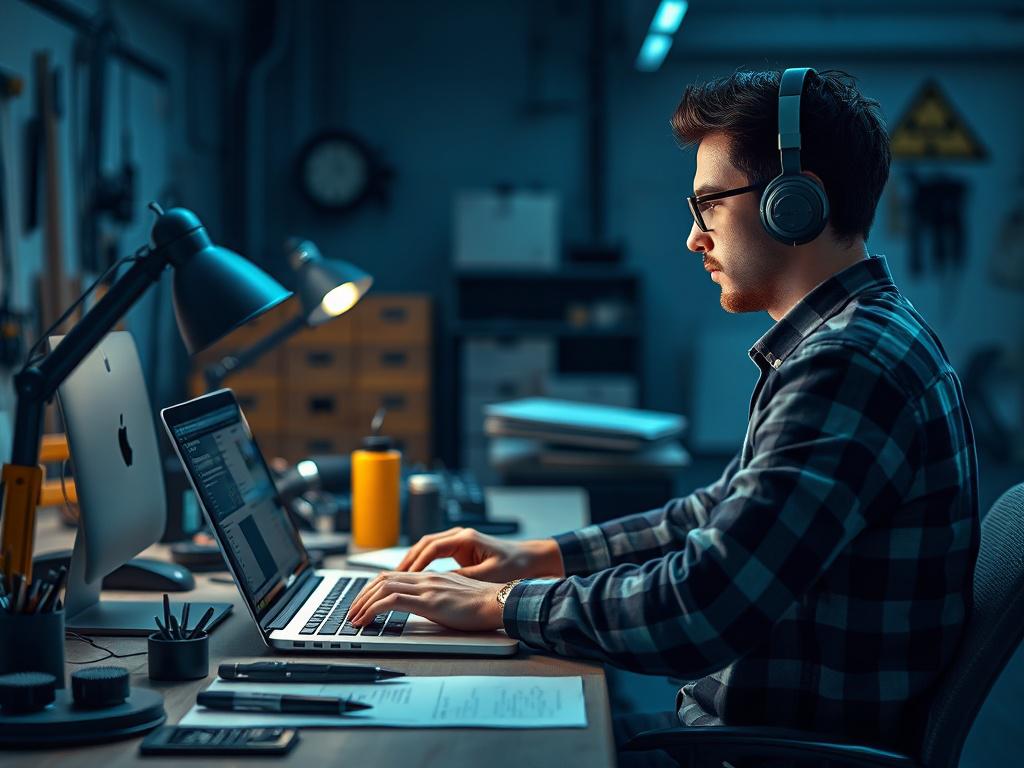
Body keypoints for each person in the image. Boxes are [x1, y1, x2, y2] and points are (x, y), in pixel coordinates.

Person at [349, 68, 978, 757]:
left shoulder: (848, 364)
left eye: (709, 205)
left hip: (760, 751)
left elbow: (704, 604)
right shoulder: (861, 337)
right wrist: (539, 557)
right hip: (756, 732)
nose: (693, 238)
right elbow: (718, 512)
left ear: (795, 203)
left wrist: (502, 606)